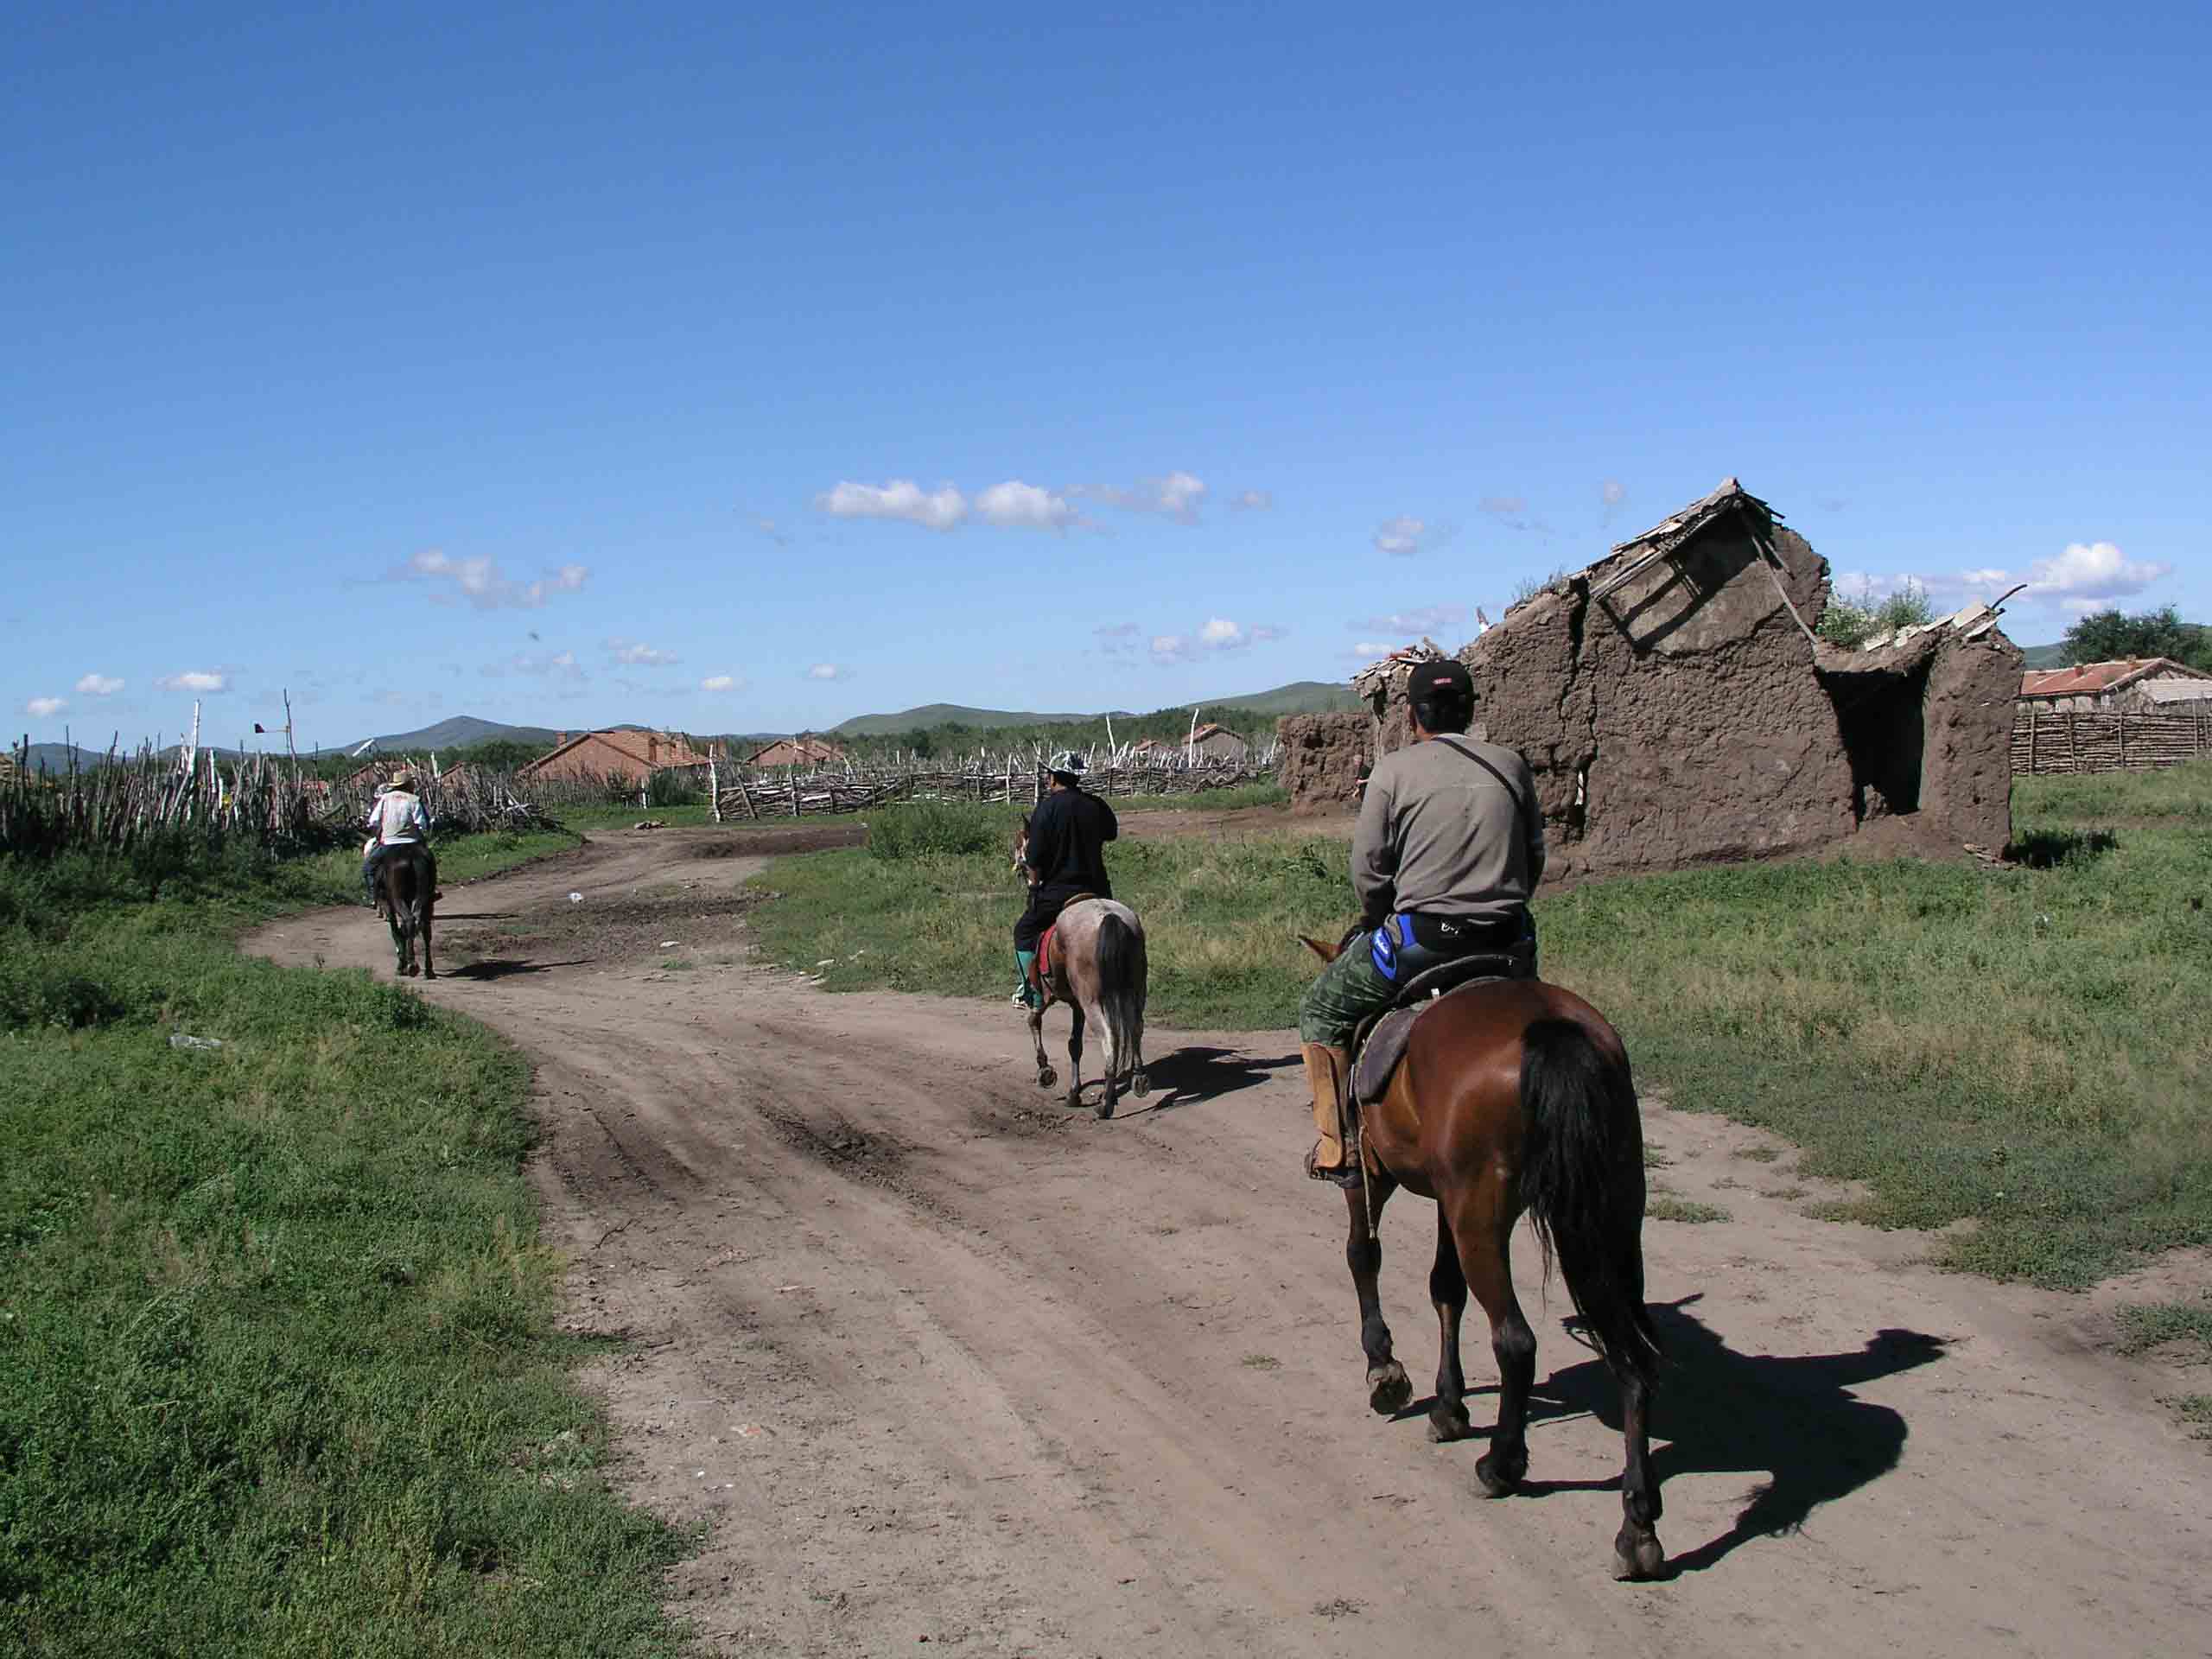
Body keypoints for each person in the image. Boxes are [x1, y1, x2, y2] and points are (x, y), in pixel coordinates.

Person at [1298, 659, 1545, 1186]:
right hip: (1508, 942)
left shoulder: (1392, 771)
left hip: (1424, 944)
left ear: (1411, 716)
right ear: (1472, 708)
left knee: (1320, 1009)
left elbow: (1368, 869)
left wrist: (1374, 914)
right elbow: (1535, 856)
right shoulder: (1511, 765)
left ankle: (1336, 1146)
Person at [1012, 750, 1118, 1009]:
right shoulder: (1096, 805)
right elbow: (1111, 834)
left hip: (1058, 893)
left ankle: (1032, 993)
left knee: (1024, 931)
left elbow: (1034, 860)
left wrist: (1035, 887)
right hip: (1098, 890)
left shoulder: (1046, 809)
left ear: (1052, 779)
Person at [362, 767, 439, 910]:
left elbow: (373, 821)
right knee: (430, 863)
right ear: (408, 785)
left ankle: (373, 896)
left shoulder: (384, 799)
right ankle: (431, 890)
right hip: (413, 842)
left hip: (389, 843)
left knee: (368, 868)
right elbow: (421, 824)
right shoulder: (414, 799)